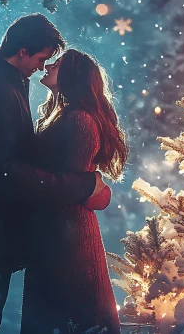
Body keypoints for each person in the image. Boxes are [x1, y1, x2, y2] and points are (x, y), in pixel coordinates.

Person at [0, 15, 109, 334]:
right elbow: (5, 171)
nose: (42, 66)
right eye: (40, 58)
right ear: (23, 51)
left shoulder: (7, 82)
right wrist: (84, 185)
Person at [20, 49, 128, 334]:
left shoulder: (80, 120)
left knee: (71, 316)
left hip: (68, 238)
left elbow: (67, 185)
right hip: (57, 233)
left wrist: (17, 174)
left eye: (57, 64)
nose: (48, 66)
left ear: (72, 76)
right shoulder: (64, 115)